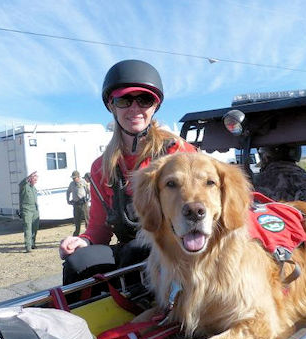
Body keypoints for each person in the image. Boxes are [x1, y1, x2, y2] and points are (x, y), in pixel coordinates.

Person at [59, 59, 196, 285]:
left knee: (136, 251)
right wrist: (84, 240)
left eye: (145, 100)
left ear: (155, 107)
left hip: (177, 248)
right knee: (78, 261)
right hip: (130, 247)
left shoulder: (179, 152)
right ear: (112, 106)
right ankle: (81, 318)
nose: (135, 109)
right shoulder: (101, 167)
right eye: (124, 100)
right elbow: (99, 229)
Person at [19, 171, 39, 253]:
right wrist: (29, 176)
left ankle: (33, 244)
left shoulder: (34, 188)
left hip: (35, 209)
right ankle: (28, 247)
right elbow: (21, 183)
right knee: (28, 228)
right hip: (26, 210)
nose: (35, 181)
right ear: (30, 179)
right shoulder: (24, 186)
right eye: (34, 179)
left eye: (36, 180)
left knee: (35, 227)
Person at [66, 170, 90, 236]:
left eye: (75, 178)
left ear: (78, 177)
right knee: (77, 221)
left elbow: (89, 191)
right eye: (73, 178)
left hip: (83, 204)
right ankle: (76, 235)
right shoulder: (71, 184)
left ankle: (89, 234)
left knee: (87, 219)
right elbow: (68, 192)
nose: (73, 179)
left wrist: (88, 198)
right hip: (76, 204)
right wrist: (68, 200)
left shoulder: (83, 182)